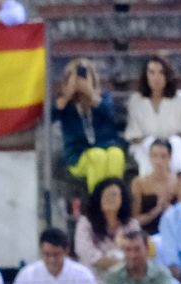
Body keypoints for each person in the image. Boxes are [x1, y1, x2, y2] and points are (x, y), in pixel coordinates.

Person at [52, 57, 127, 191]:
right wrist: (67, 95)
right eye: (77, 77)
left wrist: (91, 94)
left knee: (116, 154)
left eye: (85, 76)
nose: (81, 81)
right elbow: (51, 116)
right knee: (96, 156)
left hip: (107, 147)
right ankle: (98, 203)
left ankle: (115, 202)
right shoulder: (65, 104)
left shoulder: (103, 98)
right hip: (79, 155)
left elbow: (113, 115)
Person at [124, 54, 181, 174]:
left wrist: (166, 145)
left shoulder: (180, 98)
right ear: (146, 76)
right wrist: (154, 145)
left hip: (173, 143)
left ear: (167, 75)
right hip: (145, 144)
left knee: (176, 150)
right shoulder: (136, 100)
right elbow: (134, 135)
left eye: (161, 72)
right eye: (152, 72)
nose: (156, 77)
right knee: (151, 155)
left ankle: (176, 188)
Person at [73, 177, 134, 274]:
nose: (110, 199)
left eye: (114, 195)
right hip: (93, 279)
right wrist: (123, 262)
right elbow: (86, 253)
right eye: (106, 195)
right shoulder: (85, 223)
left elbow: (139, 254)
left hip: (125, 281)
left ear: (123, 199)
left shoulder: (131, 224)